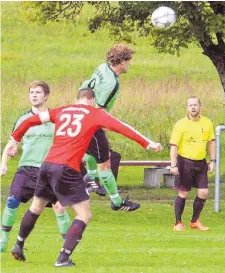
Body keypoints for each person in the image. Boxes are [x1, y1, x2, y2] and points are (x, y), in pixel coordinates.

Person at [7, 88, 163, 267]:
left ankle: (19, 244)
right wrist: (148, 143)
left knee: (36, 206)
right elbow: (122, 128)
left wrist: (15, 138)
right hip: (67, 168)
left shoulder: (62, 110)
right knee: (84, 213)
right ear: (91, 100)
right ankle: (63, 258)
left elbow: (31, 120)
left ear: (78, 99)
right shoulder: (95, 113)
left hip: (47, 164)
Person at [0, 81, 70, 253]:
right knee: (12, 201)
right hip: (26, 168)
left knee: (59, 207)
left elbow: (67, 142)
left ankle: (67, 247)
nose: (34, 95)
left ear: (46, 96)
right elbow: (12, 143)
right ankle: (3, 239)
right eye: (31, 92)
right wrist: (4, 163)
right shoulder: (23, 119)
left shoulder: (56, 118)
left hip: (50, 170)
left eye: (38, 92)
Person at [79, 44, 138, 211]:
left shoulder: (102, 67)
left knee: (93, 153)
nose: (130, 64)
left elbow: (85, 87)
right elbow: (99, 107)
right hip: (91, 120)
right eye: (128, 60)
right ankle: (116, 202)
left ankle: (90, 179)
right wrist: (104, 124)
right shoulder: (111, 83)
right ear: (121, 61)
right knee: (105, 163)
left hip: (82, 115)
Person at [169, 96, 216, 231]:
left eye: (195, 105)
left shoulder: (207, 123)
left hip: (201, 162)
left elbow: (211, 141)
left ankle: (194, 221)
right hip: (185, 162)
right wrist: (173, 165)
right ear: (187, 108)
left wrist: (212, 160)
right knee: (183, 193)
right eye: (190, 105)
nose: (193, 107)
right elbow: (173, 145)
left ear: (200, 106)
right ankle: (178, 223)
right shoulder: (180, 124)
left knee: (203, 192)